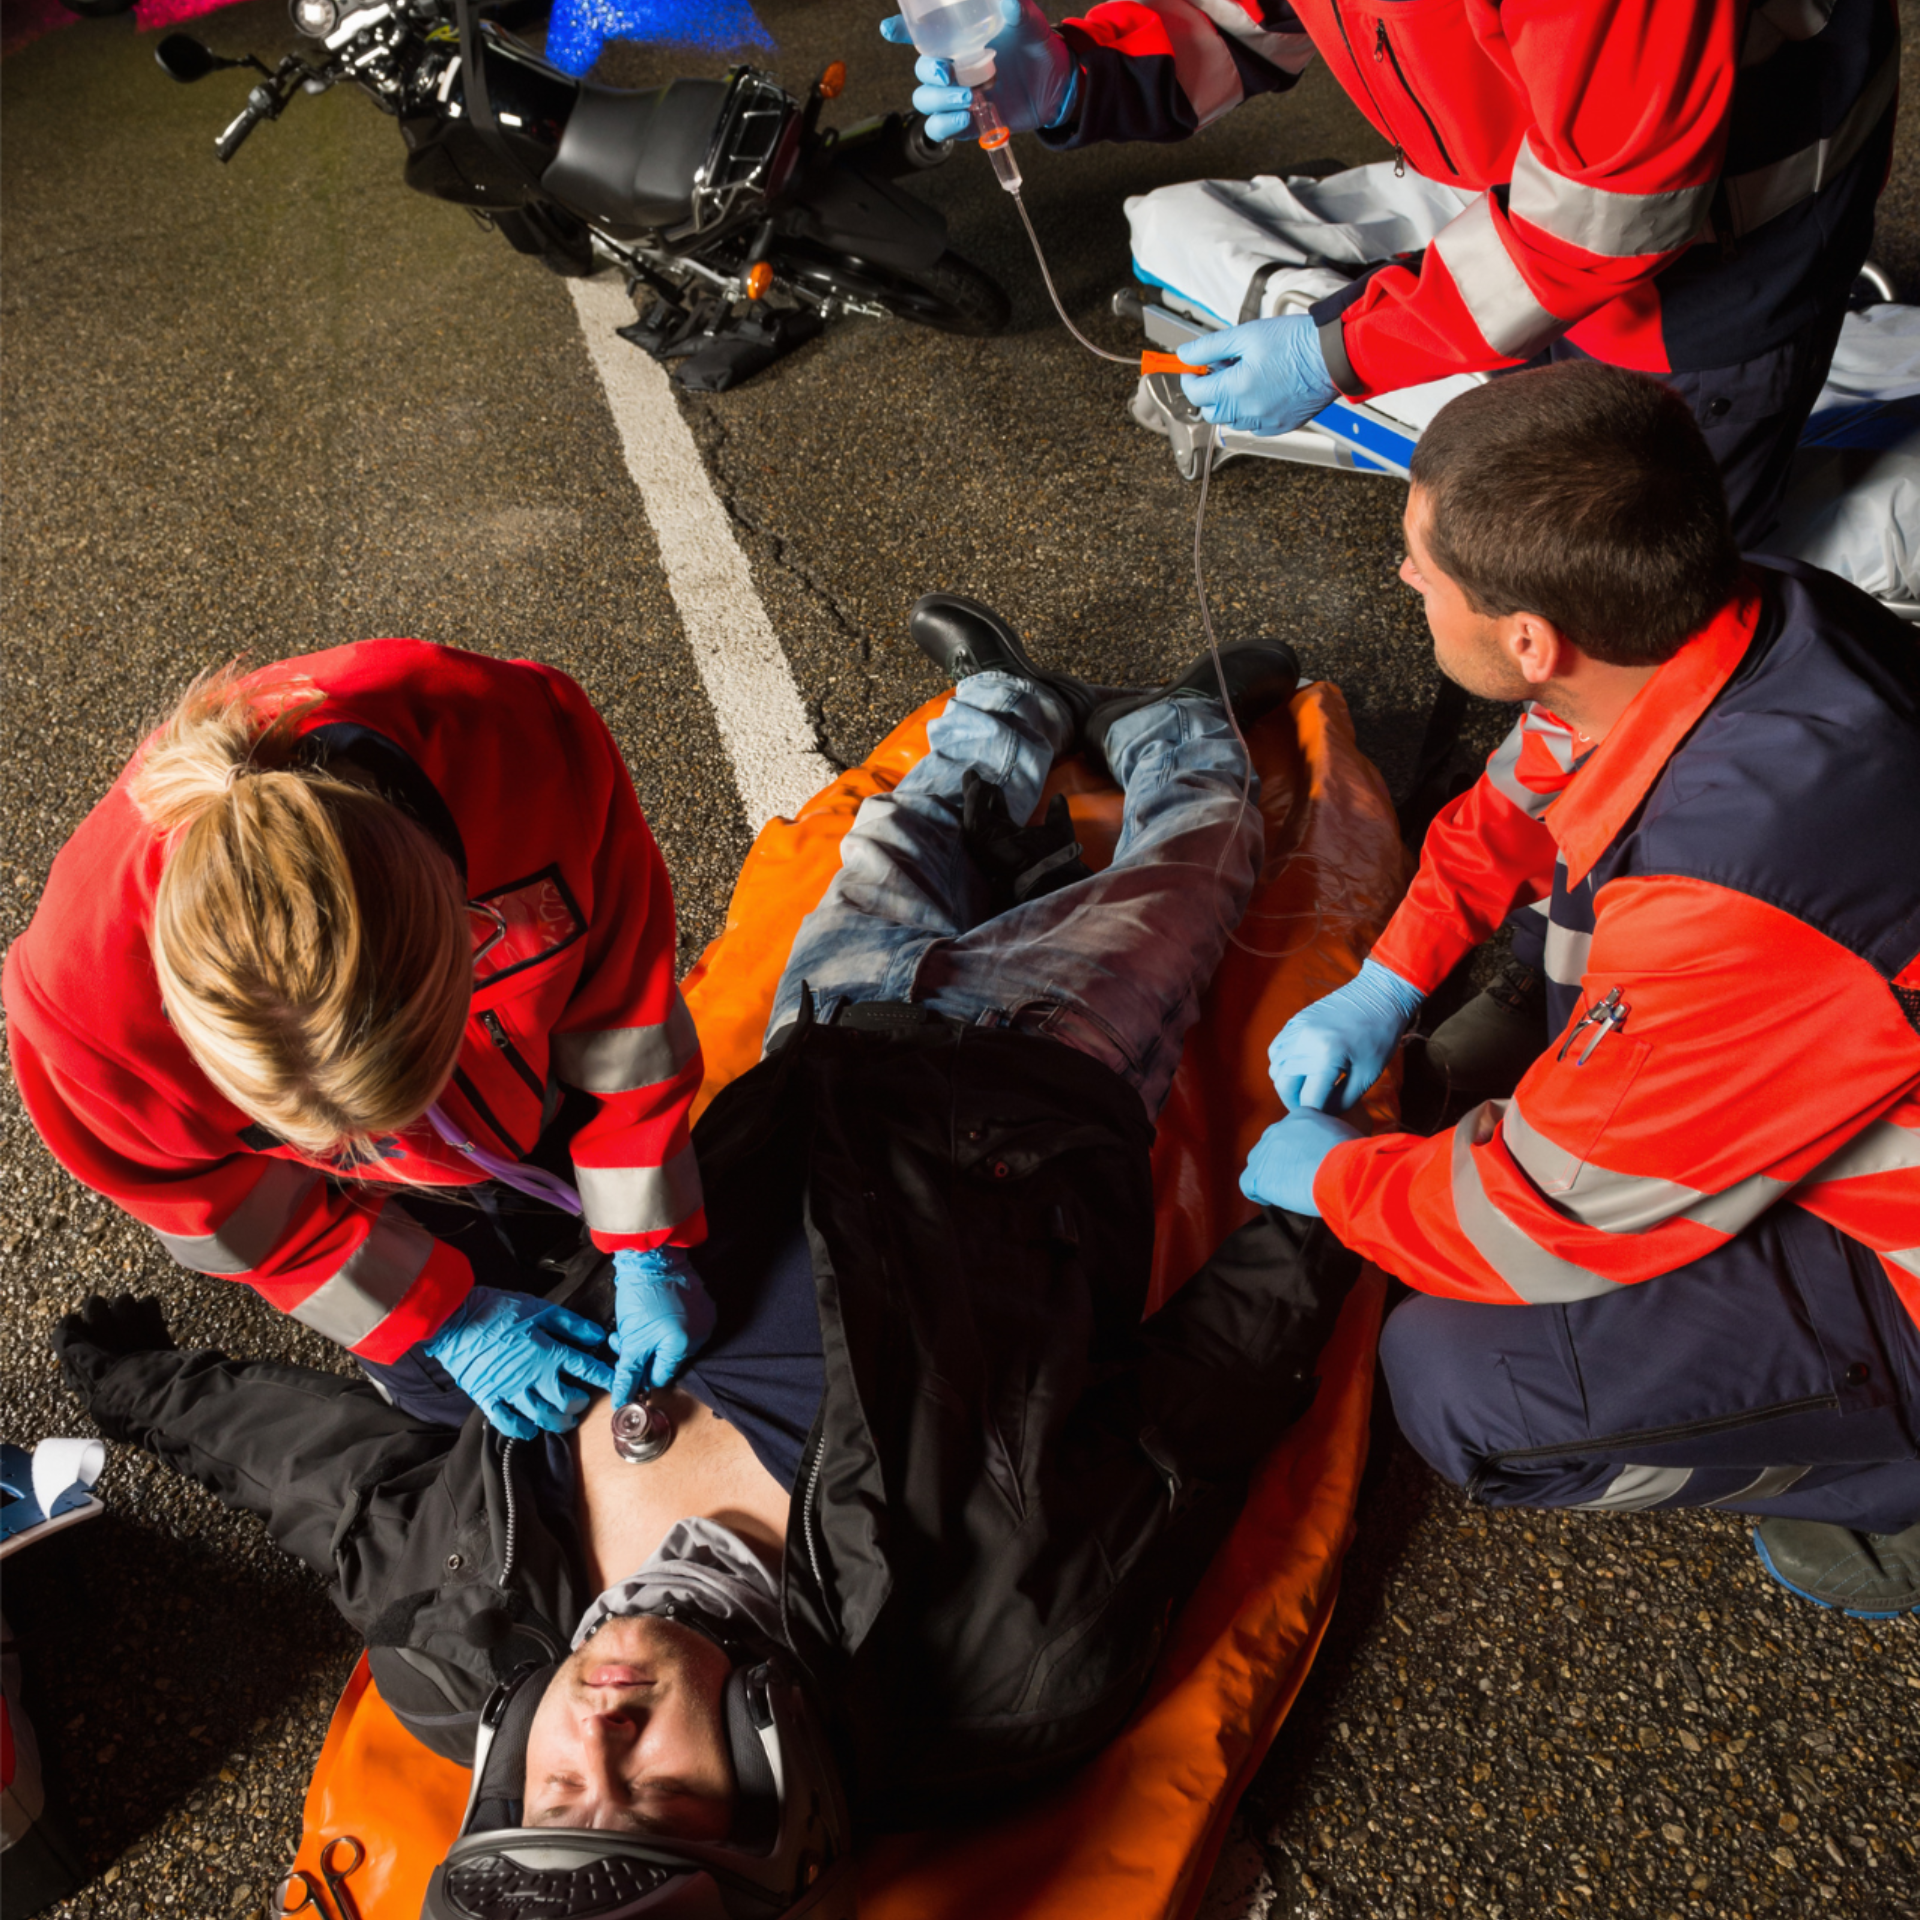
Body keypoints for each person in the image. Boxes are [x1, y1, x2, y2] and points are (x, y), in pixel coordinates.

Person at [47, 598, 1361, 1915]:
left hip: (807, 1059)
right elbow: (1207, 1394)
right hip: (1027, 1081)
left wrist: (140, 1379)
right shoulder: (1012, 1655)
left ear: (499, 1790)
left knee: (904, 842)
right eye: (660, 1794)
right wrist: (1343, 1193)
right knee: (1194, 856)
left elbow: (319, 1479)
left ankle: (1010, 706)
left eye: (558, 1794)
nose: (598, 1730)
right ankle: (1178, 724)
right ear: (779, 1801)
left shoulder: (460, 1631)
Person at [1240, 360, 1920, 1616]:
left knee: (1457, 1378)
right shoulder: (1720, 628)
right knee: (1574, 887)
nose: (1404, 579)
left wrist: (1334, 1179)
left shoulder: (1737, 886)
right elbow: (1506, 814)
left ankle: (1885, 1487)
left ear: (1528, 637)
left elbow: (1535, 1222)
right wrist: (1390, 981)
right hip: (1811, 1017)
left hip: (1901, 1256)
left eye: (1419, 564)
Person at [2, 642, 719, 1440]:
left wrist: (648, 1241)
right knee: (454, 1416)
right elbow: (227, 1213)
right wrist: (442, 1320)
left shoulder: (524, 749)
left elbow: (625, 1016)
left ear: (470, 918)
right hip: (348, 1211)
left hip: (532, 1089)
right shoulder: (82, 1014)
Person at [885, 0, 1896, 551]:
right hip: (1567, 183)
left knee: (1655, 567)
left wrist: (1341, 346)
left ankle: (1678, 851)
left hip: (1729, 234)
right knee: (1555, 439)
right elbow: (1249, 17)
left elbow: (1609, 208)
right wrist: (1071, 77)